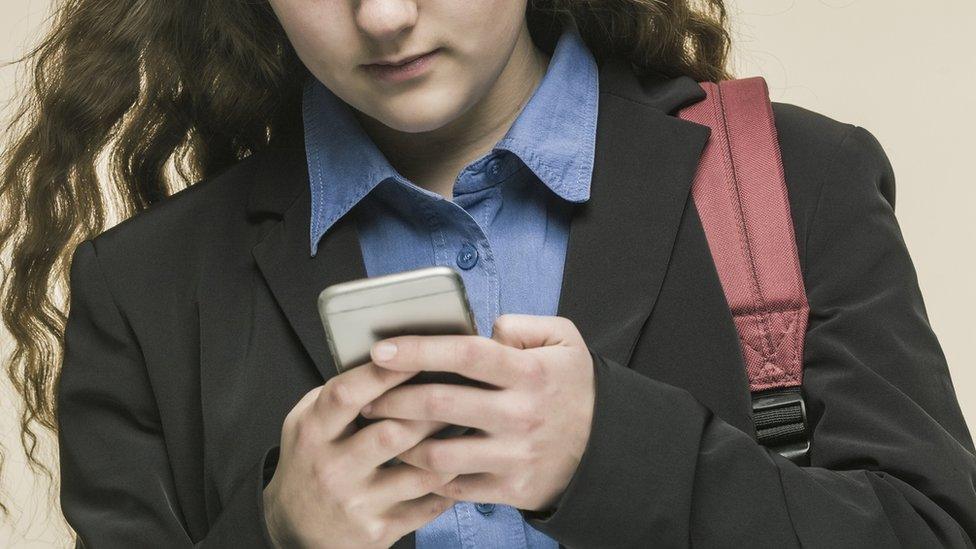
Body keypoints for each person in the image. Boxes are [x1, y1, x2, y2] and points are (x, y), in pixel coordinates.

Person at [0, 0, 973, 547]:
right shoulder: (144, 288)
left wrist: (615, 454)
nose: (383, 17)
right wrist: (279, 535)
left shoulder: (787, 179)